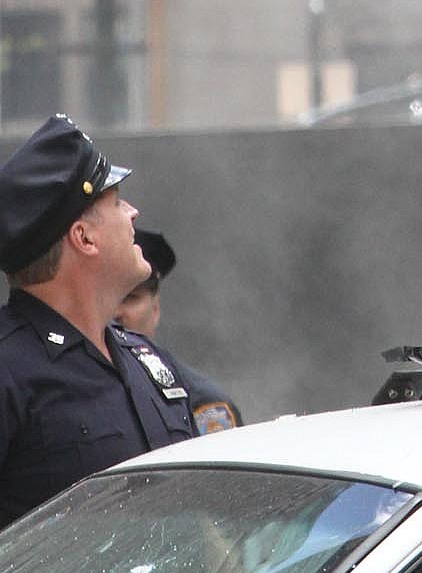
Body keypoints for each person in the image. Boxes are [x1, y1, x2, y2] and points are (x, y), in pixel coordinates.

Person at [0, 116, 196, 526]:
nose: (133, 212)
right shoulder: (9, 371)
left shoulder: (145, 358)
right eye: (117, 202)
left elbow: (199, 519)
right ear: (84, 238)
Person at [117, 228, 242, 432]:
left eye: (129, 298)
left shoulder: (201, 403)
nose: (115, 312)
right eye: (105, 298)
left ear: (155, 307)